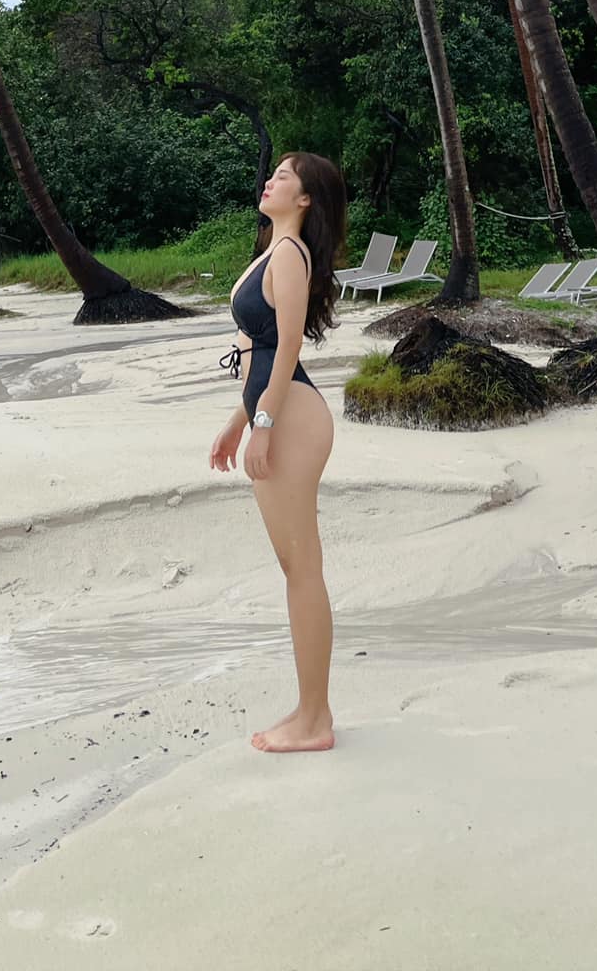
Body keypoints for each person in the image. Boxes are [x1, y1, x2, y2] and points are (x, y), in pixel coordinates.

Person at [210, 152, 344, 754]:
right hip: (277, 413)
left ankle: (315, 719)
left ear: (306, 198)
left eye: (284, 176)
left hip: (291, 418)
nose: (270, 181)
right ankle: (310, 710)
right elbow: (261, 354)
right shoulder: (276, 249)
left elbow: (287, 348)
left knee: (303, 570)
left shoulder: (289, 254)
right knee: (297, 570)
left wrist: (262, 424)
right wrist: (238, 422)